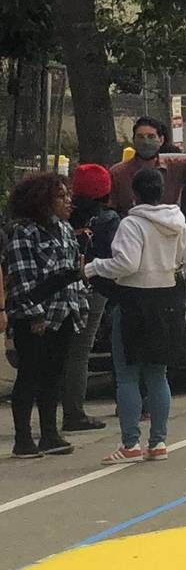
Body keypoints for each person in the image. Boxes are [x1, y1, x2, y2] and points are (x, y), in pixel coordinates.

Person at [83, 167, 186, 463]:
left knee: (127, 376)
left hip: (133, 302)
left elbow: (126, 264)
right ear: (161, 190)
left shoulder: (131, 224)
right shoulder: (178, 223)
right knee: (158, 374)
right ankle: (158, 441)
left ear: (134, 193)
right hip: (166, 301)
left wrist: (94, 267)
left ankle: (130, 443)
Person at [6, 172, 88, 458]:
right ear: (42, 200)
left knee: (54, 375)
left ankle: (50, 434)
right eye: (60, 196)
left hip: (64, 313)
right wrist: (34, 315)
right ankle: (23, 439)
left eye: (68, 196)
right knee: (30, 375)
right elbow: (22, 279)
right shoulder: (24, 232)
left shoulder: (65, 229)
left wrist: (80, 307)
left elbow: (75, 272)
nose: (68, 202)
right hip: (34, 318)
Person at [60, 163, 119, 432]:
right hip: (94, 289)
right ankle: (74, 413)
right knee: (80, 351)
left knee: (61, 349)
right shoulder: (108, 219)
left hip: (60, 288)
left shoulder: (62, 216)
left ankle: (55, 410)